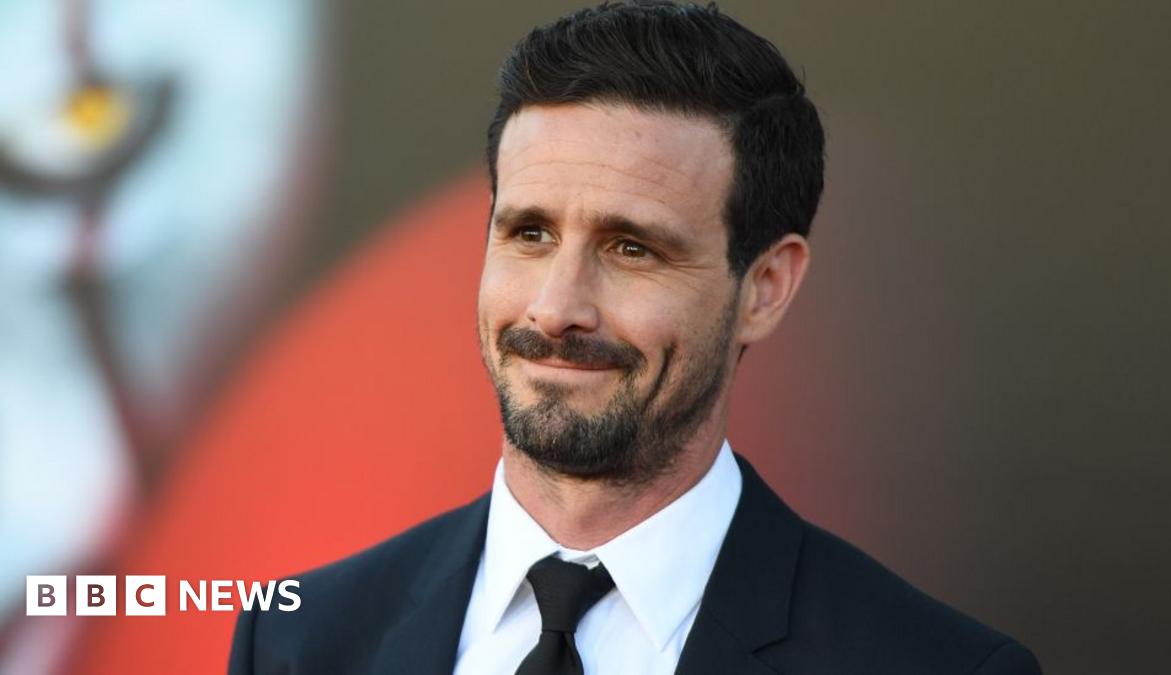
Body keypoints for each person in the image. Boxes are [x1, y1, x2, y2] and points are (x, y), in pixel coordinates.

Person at [229, 2, 1041, 673]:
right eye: (529, 234)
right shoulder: (300, 639)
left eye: (631, 248)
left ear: (765, 287)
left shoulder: (930, 665)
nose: (555, 309)